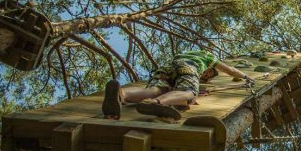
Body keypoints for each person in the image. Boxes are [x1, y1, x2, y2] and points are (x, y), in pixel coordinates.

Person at [102, 49, 255, 120]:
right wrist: (246, 76)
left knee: (157, 89)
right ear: (209, 70)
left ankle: (121, 94)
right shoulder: (207, 57)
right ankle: (157, 103)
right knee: (190, 93)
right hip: (187, 67)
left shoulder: (182, 54)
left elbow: (175, 83)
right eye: (208, 75)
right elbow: (231, 70)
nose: (205, 77)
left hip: (167, 69)